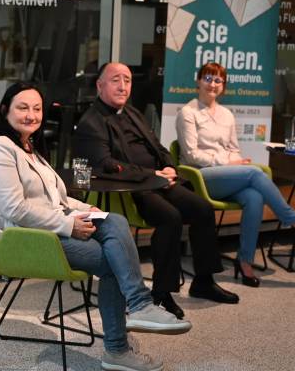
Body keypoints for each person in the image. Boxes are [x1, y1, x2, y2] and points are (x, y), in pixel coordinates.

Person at [0, 82, 192, 371]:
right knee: (113, 261)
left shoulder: (30, 149)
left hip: (50, 227)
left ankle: (139, 307)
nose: (31, 115)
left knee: (114, 220)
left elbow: (57, 198)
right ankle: (118, 346)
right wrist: (68, 224)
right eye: (22, 107)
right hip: (26, 239)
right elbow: (16, 210)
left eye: (36, 108)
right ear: (5, 110)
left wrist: (84, 209)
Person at [73, 62, 238, 320]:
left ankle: (203, 280)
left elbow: (158, 147)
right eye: (116, 79)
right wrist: (152, 176)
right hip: (130, 189)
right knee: (170, 217)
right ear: (100, 85)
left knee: (202, 208)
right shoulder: (91, 122)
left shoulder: (133, 113)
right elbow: (107, 165)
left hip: (159, 181)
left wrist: (169, 166)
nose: (123, 86)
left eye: (127, 80)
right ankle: (162, 293)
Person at [175, 62, 295, 287]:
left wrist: (234, 161)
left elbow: (234, 148)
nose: (212, 84)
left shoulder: (227, 115)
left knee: (254, 197)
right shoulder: (188, 112)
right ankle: (292, 219)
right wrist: (228, 161)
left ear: (223, 86)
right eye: (208, 78)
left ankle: (245, 262)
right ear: (198, 81)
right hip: (200, 177)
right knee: (254, 173)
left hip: (224, 175)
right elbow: (191, 154)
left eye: (218, 80)